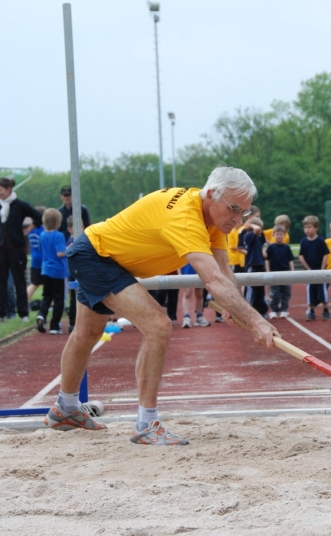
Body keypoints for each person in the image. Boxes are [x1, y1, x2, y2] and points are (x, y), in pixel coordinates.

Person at [43, 166, 279, 445]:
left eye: (245, 212)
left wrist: (231, 304)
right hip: (96, 255)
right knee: (158, 325)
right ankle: (145, 424)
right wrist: (256, 321)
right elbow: (212, 279)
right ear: (213, 194)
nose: (238, 219)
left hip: (106, 255)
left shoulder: (213, 217)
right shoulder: (185, 218)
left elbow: (223, 270)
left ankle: (65, 408)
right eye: (235, 209)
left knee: (88, 332)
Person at [0, 177, 43, 322]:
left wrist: (27, 230)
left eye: (0, 189)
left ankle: (23, 313)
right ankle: (2, 313)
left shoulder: (19, 205)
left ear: (8, 189)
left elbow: (38, 217)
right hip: (1, 250)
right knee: (2, 282)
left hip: (16, 249)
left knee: (19, 281)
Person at [36, 209, 68, 334]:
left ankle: (41, 314)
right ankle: (54, 325)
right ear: (57, 223)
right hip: (58, 271)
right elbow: (60, 253)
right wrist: (69, 249)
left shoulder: (42, 235)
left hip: (45, 270)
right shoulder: (58, 236)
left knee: (47, 297)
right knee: (59, 299)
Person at [298, 215, 330, 321]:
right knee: (310, 290)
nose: (307, 230)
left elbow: (326, 254)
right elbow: (301, 256)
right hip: (309, 272)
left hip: (320, 271)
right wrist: (308, 268)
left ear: (316, 227)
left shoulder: (321, 241)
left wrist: (322, 268)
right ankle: (311, 311)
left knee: (322, 290)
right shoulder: (303, 242)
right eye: (305, 227)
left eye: (309, 227)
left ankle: (325, 310)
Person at [265, 224, 295, 319]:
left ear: (284, 235)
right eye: (277, 234)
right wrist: (268, 271)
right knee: (275, 294)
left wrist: (292, 271)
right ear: (274, 235)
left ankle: (283, 310)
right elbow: (267, 260)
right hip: (274, 274)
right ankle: (274, 310)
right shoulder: (270, 248)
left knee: (286, 293)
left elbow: (290, 260)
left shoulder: (287, 248)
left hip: (286, 273)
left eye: (281, 234)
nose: (279, 236)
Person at [243, 216, 269, 317]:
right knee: (251, 289)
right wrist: (250, 224)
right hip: (252, 265)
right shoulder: (248, 236)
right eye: (260, 228)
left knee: (260, 290)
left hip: (259, 264)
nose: (261, 230)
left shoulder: (258, 237)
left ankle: (261, 310)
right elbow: (257, 229)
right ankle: (248, 309)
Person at [180, 263, 211, 328]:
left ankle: (199, 316)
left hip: (199, 268)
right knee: (187, 293)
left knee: (199, 294)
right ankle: (186, 317)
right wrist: (179, 273)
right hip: (186, 267)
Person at [27, 206, 46, 301]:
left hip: (34, 259)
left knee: (34, 283)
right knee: (50, 284)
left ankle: (23, 301)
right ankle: (52, 304)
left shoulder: (31, 230)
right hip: (43, 259)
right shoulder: (43, 229)